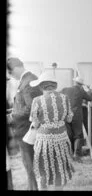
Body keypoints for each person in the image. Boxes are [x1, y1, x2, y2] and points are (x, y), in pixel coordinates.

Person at [29, 71, 75, 190]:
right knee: (60, 168)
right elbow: (69, 119)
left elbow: (35, 122)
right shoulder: (64, 98)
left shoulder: (37, 100)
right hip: (61, 139)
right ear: (55, 85)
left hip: (44, 140)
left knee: (43, 168)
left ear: (41, 86)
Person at [6, 57, 43, 190]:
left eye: (10, 72)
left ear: (15, 68)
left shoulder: (28, 81)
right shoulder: (27, 80)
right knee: (29, 166)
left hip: (26, 131)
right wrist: (12, 110)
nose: (10, 75)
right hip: (26, 130)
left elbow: (32, 108)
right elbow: (25, 104)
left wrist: (12, 116)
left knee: (30, 165)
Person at [60, 76, 92, 162]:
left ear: (74, 82)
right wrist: (88, 90)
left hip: (66, 115)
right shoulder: (81, 91)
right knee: (78, 135)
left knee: (69, 134)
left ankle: (70, 154)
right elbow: (90, 98)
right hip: (76, 115)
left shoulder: (65, 89)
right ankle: (77, 155)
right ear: (81, 85)